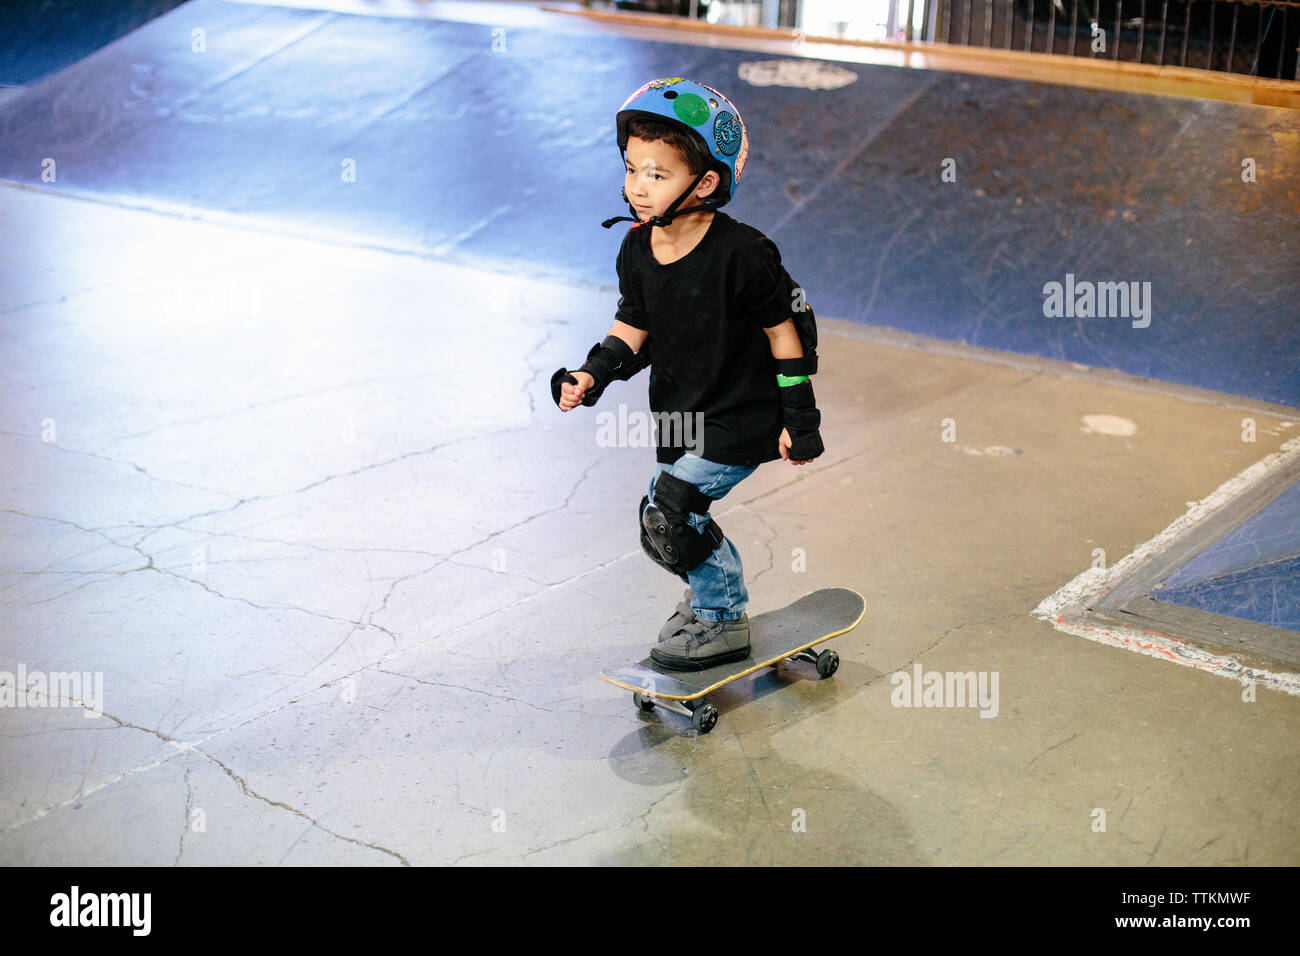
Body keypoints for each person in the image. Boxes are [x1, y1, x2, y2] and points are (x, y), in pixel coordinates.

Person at [551, 77, 823, 670]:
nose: (636, 187)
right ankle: (707, 602)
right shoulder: (637, 247)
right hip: (677, 410)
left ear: (704, 183)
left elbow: (786, 332)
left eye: (656, 174)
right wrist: (591, 374)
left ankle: (723, 618)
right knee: (662, 524)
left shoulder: (742, 254)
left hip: (742, 412)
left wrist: (799, 418)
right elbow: (635, 323)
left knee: (672, 509)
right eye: (631, 169)